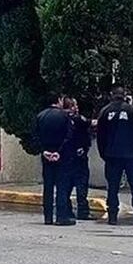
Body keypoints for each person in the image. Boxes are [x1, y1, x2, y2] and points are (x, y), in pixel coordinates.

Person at [97, 86, 133, 226]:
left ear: (111, 95)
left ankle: (112, 216)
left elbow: (100, 135)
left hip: (112, 155)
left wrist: (103, 153)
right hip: (130, 154)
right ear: (124, 95)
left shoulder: (105, 112)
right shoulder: (132, 111)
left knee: (112, 187)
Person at [36, 95, 76, 226]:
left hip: (46, 156)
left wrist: (44, 151)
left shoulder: (40, 116)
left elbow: (35, 136)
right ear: (58, 100)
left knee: (48, 186)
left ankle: (48, 216)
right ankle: (61, 216)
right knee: (61, 186)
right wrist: (59, 152)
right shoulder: (64, 116)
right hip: (61, 157)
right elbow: (69, 136)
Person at [64, 97, 93, 220]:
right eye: (74, 105)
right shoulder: (78, 119)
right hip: (79, 157)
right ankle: (83, 211)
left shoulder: (61, 119)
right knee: (81, 184)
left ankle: (66, 210)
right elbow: (90, 123)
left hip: (66, 158)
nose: (77, 107)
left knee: (66, 185)